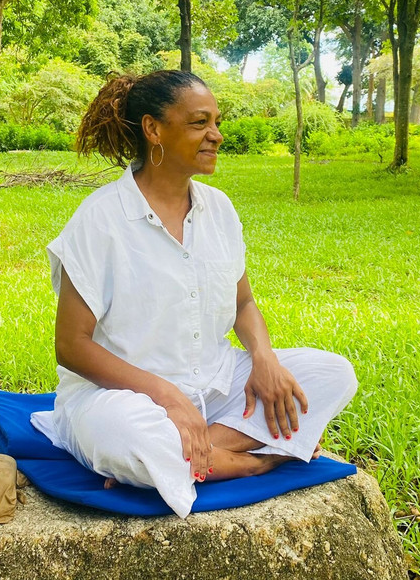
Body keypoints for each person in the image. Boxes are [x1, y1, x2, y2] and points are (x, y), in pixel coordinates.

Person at [29, 70, 358, 518]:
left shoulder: (218, 209)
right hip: (122, 396)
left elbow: (243, 302)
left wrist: (264, 358)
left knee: (333, 373)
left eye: (216, 122)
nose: (216, 136)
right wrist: (166, 397)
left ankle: (184, 456)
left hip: (216, 383)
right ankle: (259, 462)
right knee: (132, 438)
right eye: (199, 123)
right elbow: (71, 347)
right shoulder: (101, 219)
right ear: (153, 129)